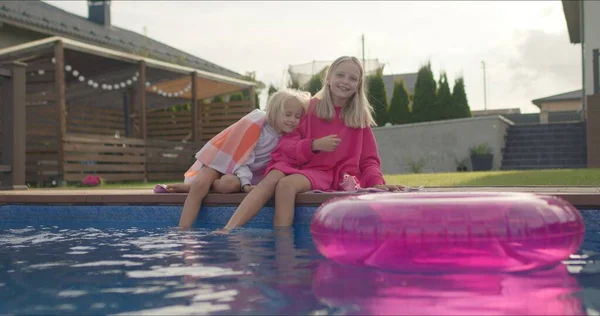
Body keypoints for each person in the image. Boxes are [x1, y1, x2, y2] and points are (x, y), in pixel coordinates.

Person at [219, 56, 404, 232]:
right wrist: (313, 145)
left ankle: (283, 244)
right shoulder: (309, 107)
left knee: (286, 186)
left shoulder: (359, 119)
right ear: (329, 78)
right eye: (340, 75)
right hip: (294, 161)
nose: (345, 81)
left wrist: (376, 183)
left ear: (358, 86)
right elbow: (286, 144)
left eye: (353, 78)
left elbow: (369, 161)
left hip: (327, 173)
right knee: (273, 177)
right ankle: (229, 228)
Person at [176, 88, 310, 229]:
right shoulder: (257, 126)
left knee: (229, 185)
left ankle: (196, 186)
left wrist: (244, 183)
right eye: (287, 114)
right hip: (224, 161)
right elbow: (240, 157)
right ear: (274, 111)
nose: (292, 120)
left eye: (297, 116)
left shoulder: (288, 139)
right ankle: (183, 231)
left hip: (240, 173)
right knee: (200, 185)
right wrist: (245, 184)